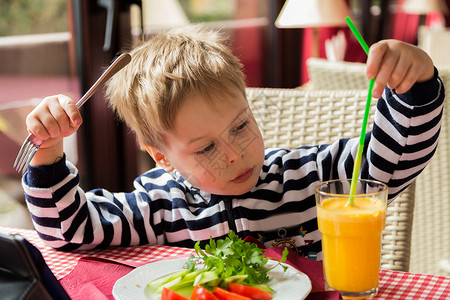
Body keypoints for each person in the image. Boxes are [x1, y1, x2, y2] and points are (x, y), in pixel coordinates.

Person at [22, 24, 444, 259]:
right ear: (162, 158)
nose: (233, 154)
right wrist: (47, 152)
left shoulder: (309, 176)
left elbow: (394, 158)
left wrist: (417, 82)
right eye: (204, 148)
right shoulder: (157, 207)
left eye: (240, 126)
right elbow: (69, 231)